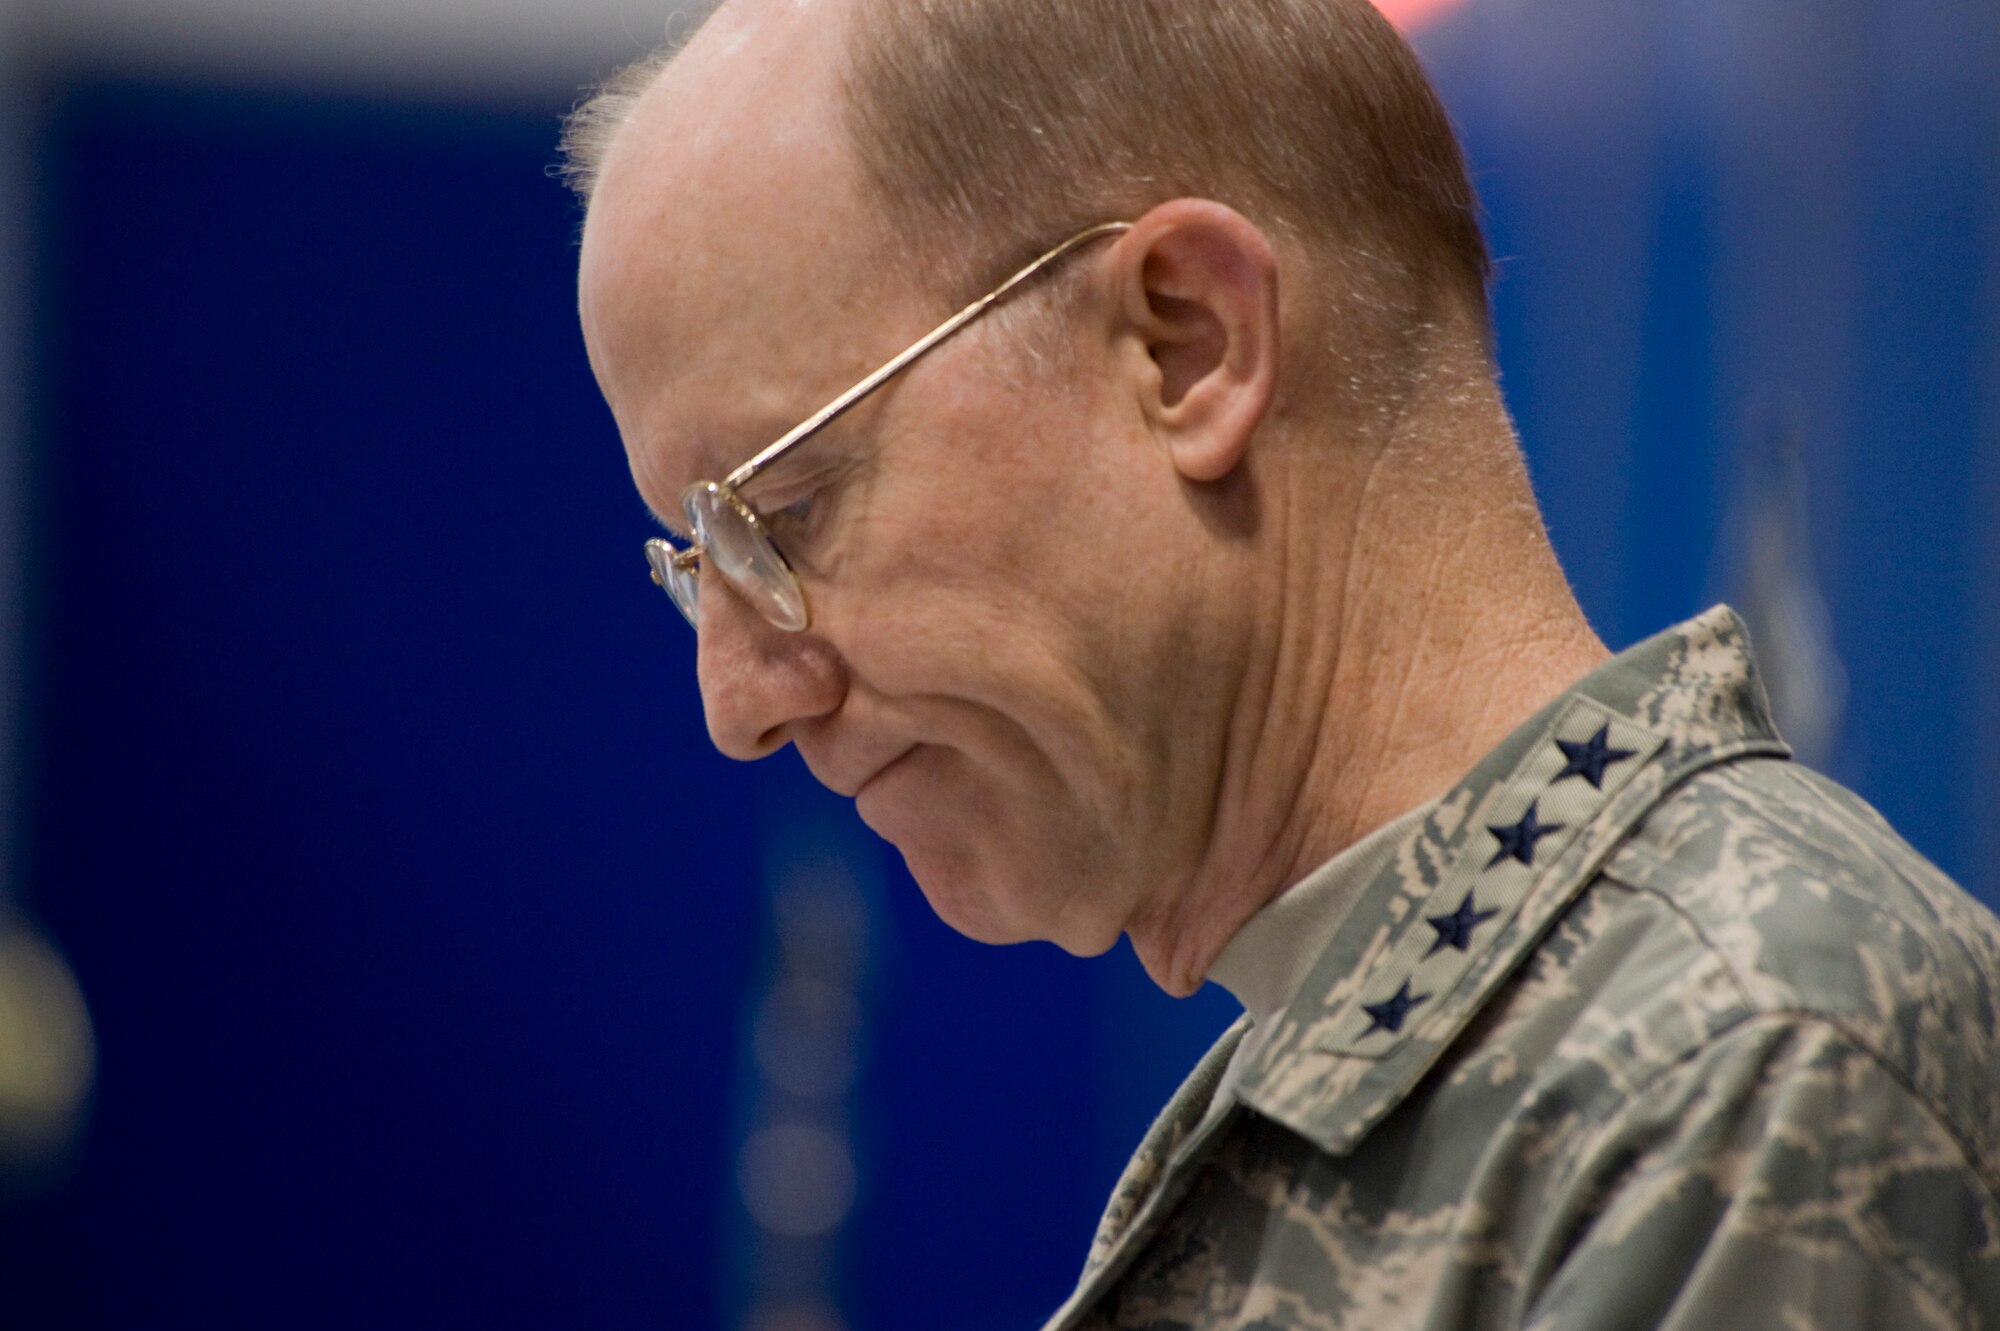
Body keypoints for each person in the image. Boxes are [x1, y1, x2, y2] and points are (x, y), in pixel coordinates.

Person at [562, 0, 2000, 1324]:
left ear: (1188, 344)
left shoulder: (1740, 1062)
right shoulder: (1461, 1083)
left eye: (787, 511)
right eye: (702, 565)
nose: (739, 703)